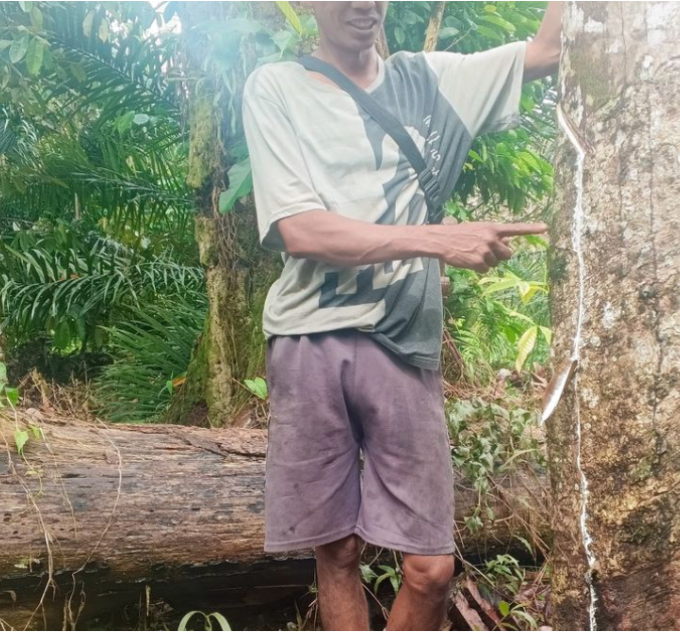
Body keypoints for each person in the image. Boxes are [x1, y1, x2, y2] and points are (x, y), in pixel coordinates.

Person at [241, 2, 562, 629]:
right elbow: (297, 228)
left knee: (431, 569)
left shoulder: (430, 80)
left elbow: (547, 52)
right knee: (335, 549)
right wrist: (438, 239)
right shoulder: (275, 87)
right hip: (309, 338)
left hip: (403, 345)